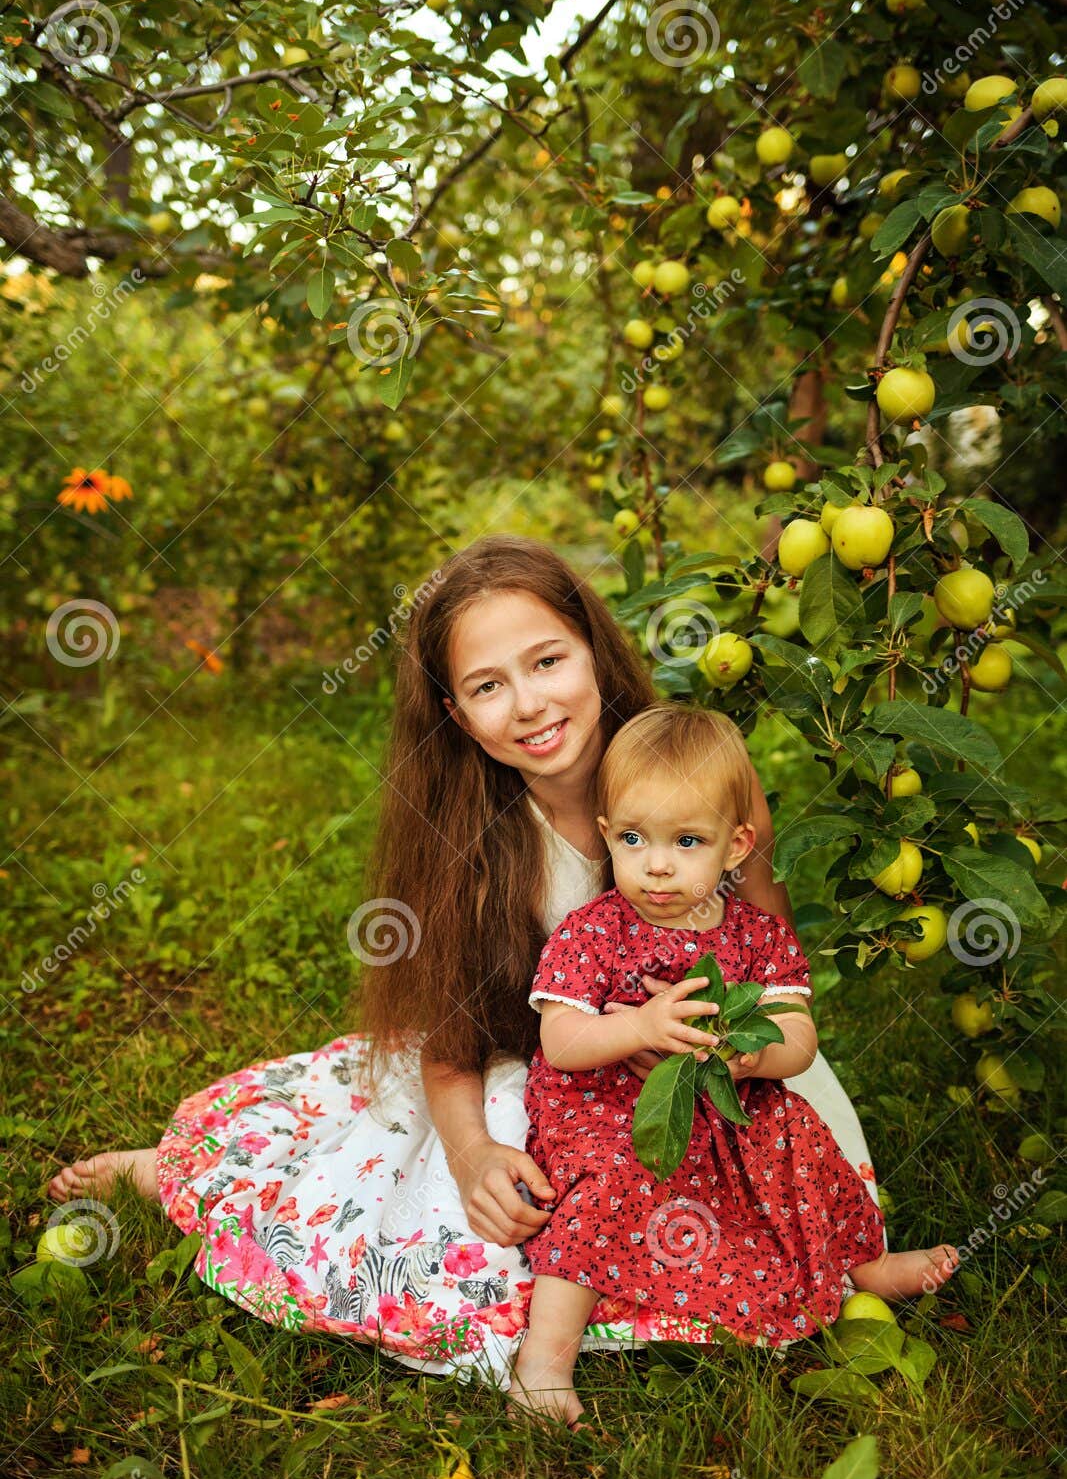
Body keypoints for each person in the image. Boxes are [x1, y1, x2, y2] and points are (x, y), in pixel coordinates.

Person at [48, 535, 894, 1389]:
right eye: (489, 686)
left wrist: (721, 1038)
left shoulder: (701, 776)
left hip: (717, 1072)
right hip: (553, 1076)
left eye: (547, 661)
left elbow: (771, 956)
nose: (528, 704)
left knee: (800, 1198)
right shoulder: (472, 839)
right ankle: (183, 1177)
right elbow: (452, 1039)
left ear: (595, 654)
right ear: (456, 713)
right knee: (453, 1225)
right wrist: (471, 1157)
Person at [508, 705, 959, 1429]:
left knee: (801, 1138)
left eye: (686, 841)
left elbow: (798, 1037)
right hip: (610, 1100)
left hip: (725, 1095)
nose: (656, 864)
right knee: (606, 1176)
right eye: (632, 839)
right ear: (605, 836)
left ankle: (861, 1263)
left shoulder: (756, 937)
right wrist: (637, 1027)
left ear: (733, 846)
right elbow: (559, 1041)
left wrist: (752, 1055)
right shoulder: (592, 929)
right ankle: (545, 1359)